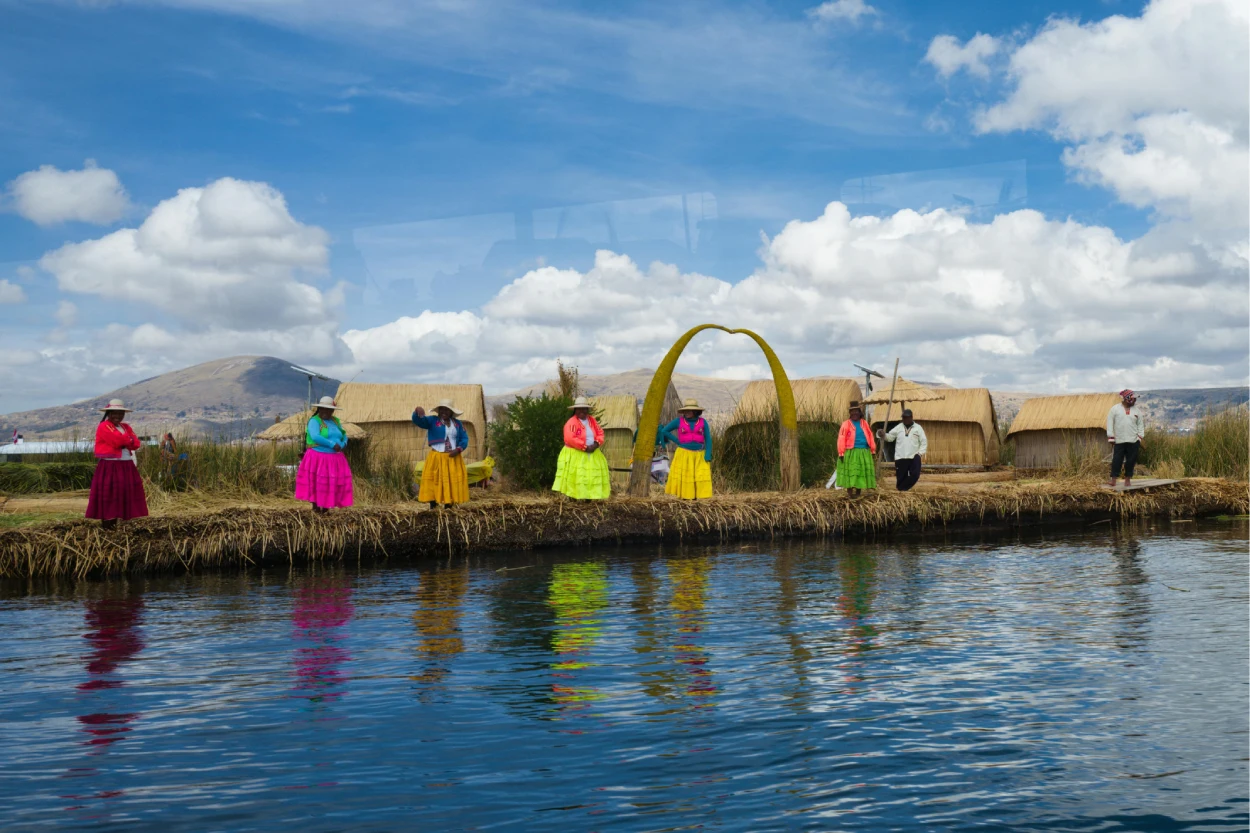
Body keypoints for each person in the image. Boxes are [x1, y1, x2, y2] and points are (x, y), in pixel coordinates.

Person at [85, 399, 148, 528]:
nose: (118, 416)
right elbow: (117, 441)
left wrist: (127, 440)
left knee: (124, 494)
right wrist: (128, 439)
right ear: (108, 413)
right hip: (110, 466)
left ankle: (122, 521)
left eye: (120, 413)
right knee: (111, 495)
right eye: (114, 413)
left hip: (126, 465)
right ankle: (108, 524)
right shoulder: (103, 426)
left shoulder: (126, 427)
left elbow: (136, 444)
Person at [295, 396, 354, 514]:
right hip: (318, 457)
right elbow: (316, 436)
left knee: (331, 483)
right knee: (318, 482)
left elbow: (343, 434)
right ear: (319, 409)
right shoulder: (314, 421)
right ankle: (316, 508)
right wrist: (332, 444)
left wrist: (343, 443)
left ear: (332, 411)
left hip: (335, 458)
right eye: (323, 409)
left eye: (329, 410)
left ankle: (326, 508)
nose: (326, 412)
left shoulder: (335, 421)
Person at [412, 398, 470, 508]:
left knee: (450, 480)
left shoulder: (457, 424)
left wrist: (458, 449)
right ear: (438, 411)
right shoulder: (433, 421)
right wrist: (416, 412)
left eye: (447, 410)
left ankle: (449, 505)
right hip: (437, 456)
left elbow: (464, 438)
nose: (444, 412)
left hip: (453, 457)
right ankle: (433, 504)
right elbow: (420, 421)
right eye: (441, 409)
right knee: (435, 480)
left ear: (451, 412)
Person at [552, 396, 610, 500]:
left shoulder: (592, 420)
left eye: (584, 409)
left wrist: (596, 444)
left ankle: (589, 497)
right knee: (576, 475)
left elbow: (600, 432)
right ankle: (574, 497)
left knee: (591, 475)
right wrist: (584, 447)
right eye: (579, 409)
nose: (582, 411)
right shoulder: (571, 423)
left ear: (587, 410)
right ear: (575, 410)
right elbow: (570, 438)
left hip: (592, 452)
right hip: (576, 453)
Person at [656, 399, 713, 500]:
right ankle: (686, 497)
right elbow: (664, 431)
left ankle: (698, 496)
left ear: (695, 411)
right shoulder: (679, 421)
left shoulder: (703, 422)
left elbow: (708, 439)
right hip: (684, 453)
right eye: (685, 411)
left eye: (689, 411)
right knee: (686, 476)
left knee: (700, 475)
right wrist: (678, 441)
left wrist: (708, 453)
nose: (686, 413)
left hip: (699, 454)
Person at [836, 401, 877, 497]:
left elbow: (870, 436)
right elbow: (841, 438)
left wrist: (872, 449)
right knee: (851, 471)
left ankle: (858, 492)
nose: (854, 413)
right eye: (852, 411)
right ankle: (850, 493)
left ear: (860, 412)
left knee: (860, 472)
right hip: (850, 451)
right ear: (850, 413)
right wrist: (841, 452)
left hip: (864, 451)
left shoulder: (864, 423)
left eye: (856, 411)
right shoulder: (846, 424)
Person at [1107, 388, 1145, 488]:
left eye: (1134, 399)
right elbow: (1110, 423)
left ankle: (1127, 479)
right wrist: (1111, 437)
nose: (1134, 401)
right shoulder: (1115, 409)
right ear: (1126, 399)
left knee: (1131, 461)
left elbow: (1140, 425)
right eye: (1132, 399)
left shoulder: (1137, 411)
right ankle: (1113, 479)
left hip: (1133, 440)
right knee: (1117, 460)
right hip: (1119, 440)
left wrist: (1139, 438)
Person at [884, 408, 927, 492]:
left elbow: (924, 442)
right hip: (900, 457)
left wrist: (920, 453)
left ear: (911, 417)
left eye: (907, 417)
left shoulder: (918, 428)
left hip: (913, 456)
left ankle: (901, 489)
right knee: (901, 477)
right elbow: (890, 437)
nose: (905, 419)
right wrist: (883, 435)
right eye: (903, 417)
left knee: (915, 475)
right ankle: (902, 491)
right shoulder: (899, 427)